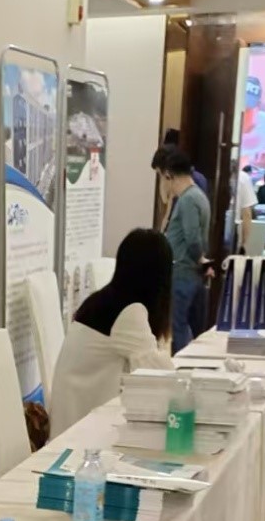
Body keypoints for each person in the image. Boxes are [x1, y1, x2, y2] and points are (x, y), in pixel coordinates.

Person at [50, 228, 174, 433]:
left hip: (72, 421)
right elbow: (159, 374)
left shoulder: (105, 300)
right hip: (82, 433)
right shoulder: (129, 314)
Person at [160, 147, 211, 354]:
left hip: (182, 271)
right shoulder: (199, 196)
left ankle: (181, 366)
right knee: (189, 327)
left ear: (169, 175)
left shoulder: (188, 199)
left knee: (178, 326)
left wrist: (200, 259)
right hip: (190, 273)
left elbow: (192, 238)